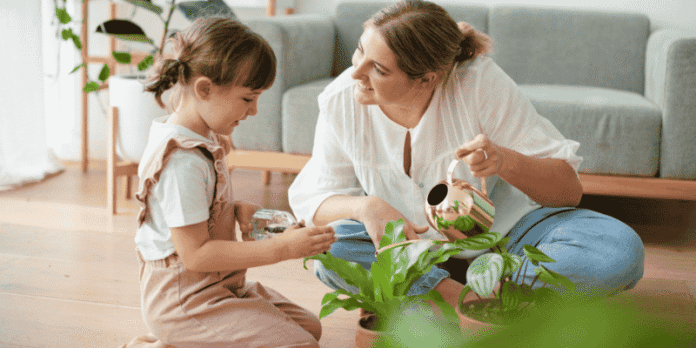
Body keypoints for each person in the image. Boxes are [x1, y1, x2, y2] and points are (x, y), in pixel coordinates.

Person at [288, 0, 644, 309]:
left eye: (378, 70)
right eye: (360, 51)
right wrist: (365, 207)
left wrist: (505, 160)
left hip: (506, 242)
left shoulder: (478, 84)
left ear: (427, 79)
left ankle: (439, 299)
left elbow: (568, 191)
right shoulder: (341, 101)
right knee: (331, 251)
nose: (356, 73)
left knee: (617, 251)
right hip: (409, 252)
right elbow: (315, 198)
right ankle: (471, 302)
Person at [120, 17, 336, 348]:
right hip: (184, 300)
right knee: (300, 344)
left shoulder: (207, 137)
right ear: (204, 88)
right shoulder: (181, 161)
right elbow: (196, 256)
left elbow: (188, 213)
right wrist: (281, 248)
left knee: (309, 328)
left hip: (219, 286)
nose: (254, 111)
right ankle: (171, 337)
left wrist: (233, 210)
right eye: (248, 98)